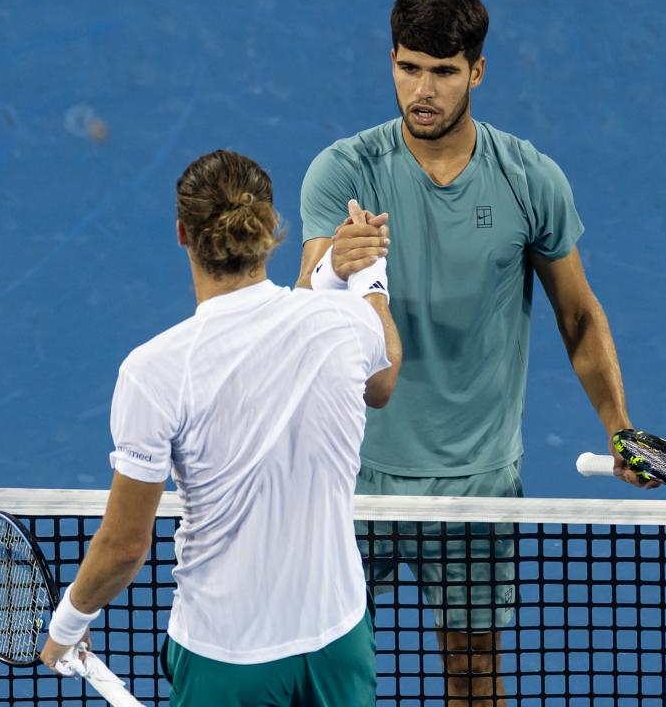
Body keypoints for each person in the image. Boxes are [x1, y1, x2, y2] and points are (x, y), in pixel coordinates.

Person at [297, 0, 656, 707]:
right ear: (391, 61)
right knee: (319, 667)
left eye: (443, 71)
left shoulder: (530, 180)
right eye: (408, 68)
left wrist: (620, 430)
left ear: (478, 71)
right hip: (353, 475)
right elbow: (304, 313)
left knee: (473, 676)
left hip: (477, 483)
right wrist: (333, 264)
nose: (422, 91)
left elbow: (580, 318)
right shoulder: (344, 171)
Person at [41, 149, 402, 707]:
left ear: (182, 233)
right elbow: (382, 380)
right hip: (338, 641)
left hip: (228, 656)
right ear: (272, 230)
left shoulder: (154, 370)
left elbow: (124, 546)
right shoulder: (344, 325)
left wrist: (67, 623)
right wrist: (363, 278)